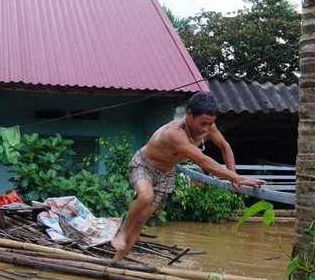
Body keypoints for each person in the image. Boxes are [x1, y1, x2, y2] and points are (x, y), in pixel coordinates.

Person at [111, 91, 266, 261]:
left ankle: (117, 261)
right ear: (189, 115)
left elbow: (224, 146)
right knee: (146, 196)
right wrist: (235, 178)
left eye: (210, 124)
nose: (206, 128)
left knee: (141, 220)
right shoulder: (174, 133)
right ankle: (122, 231)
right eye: (202, 123)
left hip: (167, 172)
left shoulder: (208, 126)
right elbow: (203, 161)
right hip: (144, 165)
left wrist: (233, 173)